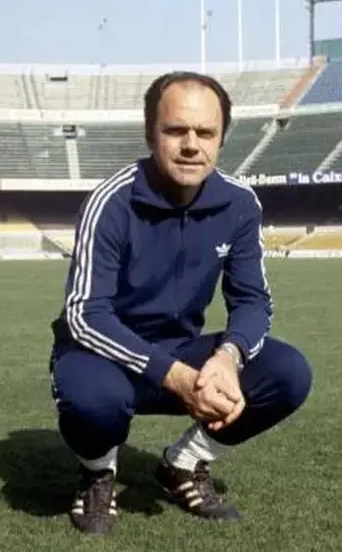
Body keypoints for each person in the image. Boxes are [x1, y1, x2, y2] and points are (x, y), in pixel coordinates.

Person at [48, 70, 313, 536]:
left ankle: (183, 465)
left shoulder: (240, 204)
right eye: (176, 130)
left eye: (205, 132)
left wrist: (228, 358)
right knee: (94, 401)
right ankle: (97, 473)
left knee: (287, 372)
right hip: (101, 355)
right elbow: (85, 315)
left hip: (179, 351)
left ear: (222, 138)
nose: (191, 145)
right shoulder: (111, 201)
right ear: (151, 133)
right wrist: (177, 377)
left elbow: (252, 301)